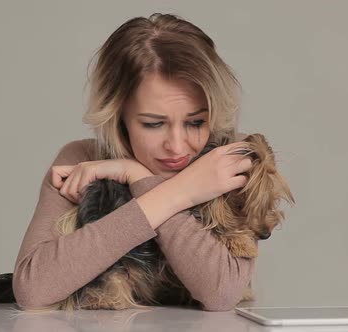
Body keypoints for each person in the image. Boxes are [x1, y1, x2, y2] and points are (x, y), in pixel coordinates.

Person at [14, 13, 255, 312]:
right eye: (154, 124)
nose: (177, 146)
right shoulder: (82, 160)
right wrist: (171, 192)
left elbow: (221, 292)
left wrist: (136, 175)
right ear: (119, 116)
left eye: (195, 122)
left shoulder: (230, 161)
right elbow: (33, 288)